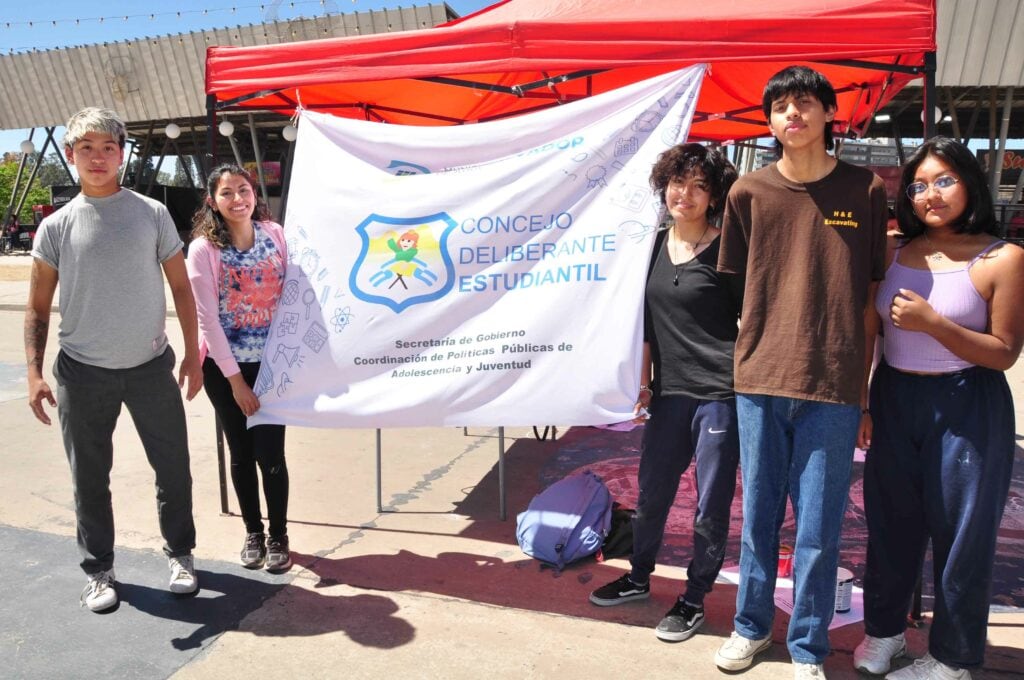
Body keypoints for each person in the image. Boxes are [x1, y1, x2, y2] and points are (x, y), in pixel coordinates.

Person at [714, 66, 888, 678]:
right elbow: (736, 287)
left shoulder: (864, 189)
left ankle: (807, 647)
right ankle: (750, 628)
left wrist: (864, 393)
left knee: (818, 526)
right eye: (782, 106)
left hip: (833, 384)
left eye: (806, 103)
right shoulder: (748, 194)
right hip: (760, 379)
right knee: (758, 516)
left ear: (828, 114)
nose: (794, 114)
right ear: (769, 121)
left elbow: (869, 296)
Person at [853, 138, 1023, 679]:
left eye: (945, 179)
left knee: (962, 536)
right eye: (921, 184)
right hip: (895, 396)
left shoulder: (1003, 257)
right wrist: (863, 401)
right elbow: (869, 332)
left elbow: (1004, 352)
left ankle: (953, 658)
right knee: (890, 525)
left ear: (970, 183)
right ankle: (884, 633)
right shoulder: (893, 249)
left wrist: (936, 325)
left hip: (967, 403)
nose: (931, 194)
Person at [25, 107, 202, 612]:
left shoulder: (152, 213)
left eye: (107, 148)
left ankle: (181, 555)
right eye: (86, 149)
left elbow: (181, 289)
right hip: (82, 374)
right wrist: (36, 372)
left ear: (121, 154)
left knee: (172, 468)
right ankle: (99, 570)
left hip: (150, 368)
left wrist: (192, 354)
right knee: (89, 478)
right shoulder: (55, 227)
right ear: (70, 155)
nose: (98, 158)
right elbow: (38, 307)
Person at [588, 143, 742, 644]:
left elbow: (753, 324)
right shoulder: (651, 247)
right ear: (664, 185)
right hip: (669, 394)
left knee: (709, 506)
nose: (687, 194)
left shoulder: (728, 252)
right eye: (680, 182)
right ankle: (638, 576)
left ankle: (694, 598)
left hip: (720, 394)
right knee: (652, 495)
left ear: (714, 195)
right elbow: (648, 326)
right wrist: (643, 382)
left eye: (700, 185)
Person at [186, 164, 292, 572]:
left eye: (243, 190)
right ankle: (254, 531)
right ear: (213, 201)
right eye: (227, 193)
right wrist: (235, 383)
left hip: (270, 367)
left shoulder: (275, 235)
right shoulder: (203, 249)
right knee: (241, 451)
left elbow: (295, 293)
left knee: (272, 453)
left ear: (254, 194)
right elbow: (207, 320)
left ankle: (279, 534)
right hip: (225, 369)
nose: (237, 200)